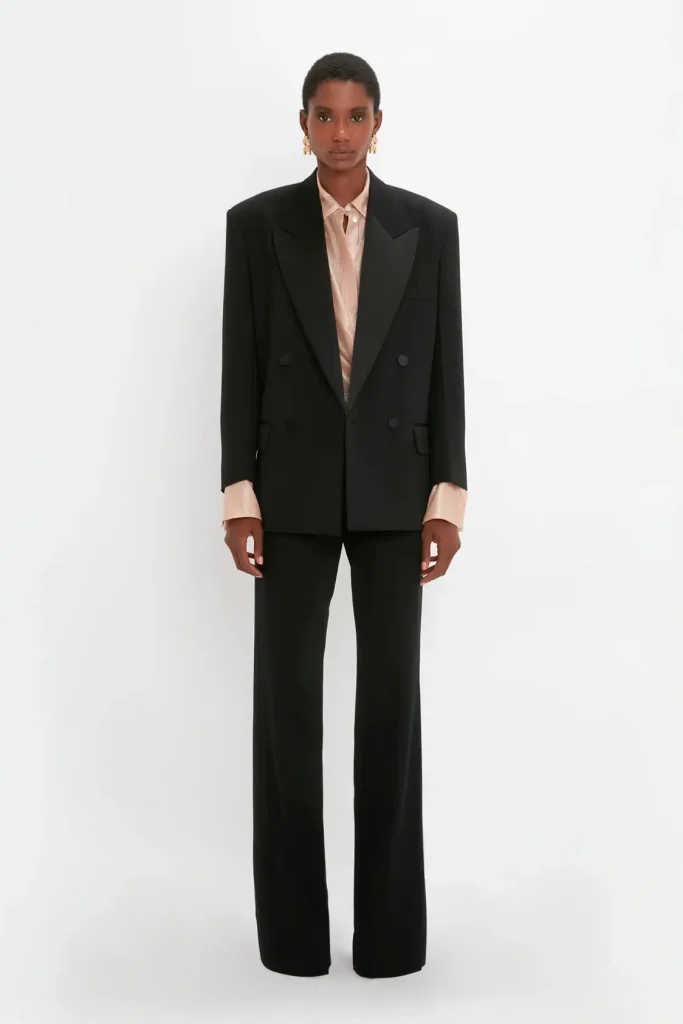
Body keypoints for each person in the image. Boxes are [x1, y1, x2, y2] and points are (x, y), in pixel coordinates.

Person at [220, 51, 467, 979]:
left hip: (397, 495)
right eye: (323, 116)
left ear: (377, 123)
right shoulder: (257, 227)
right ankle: (291, 940)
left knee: (391, 706)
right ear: (302, 125)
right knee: (286, 708)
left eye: (355, 115)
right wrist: (238, 494)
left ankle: (390, 939)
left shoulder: (428, 228)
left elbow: (443, 368)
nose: (339, 133)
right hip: (287, 493)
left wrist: (446, 500)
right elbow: (240, 364)